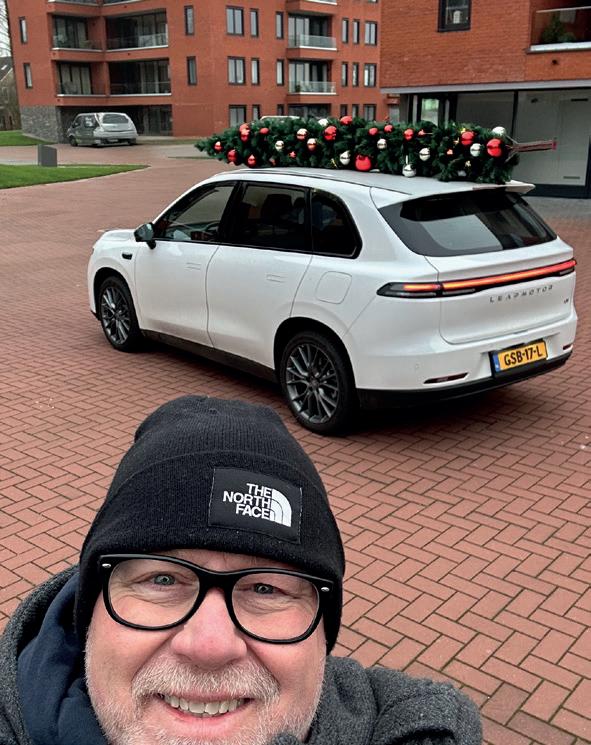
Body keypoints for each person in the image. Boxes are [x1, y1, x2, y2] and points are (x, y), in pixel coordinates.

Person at [0, 396, 482, 745]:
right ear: (89, 612)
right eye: (162, 579)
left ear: (323, 634)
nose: (209, 647)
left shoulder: (417, 727)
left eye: (267, 589)